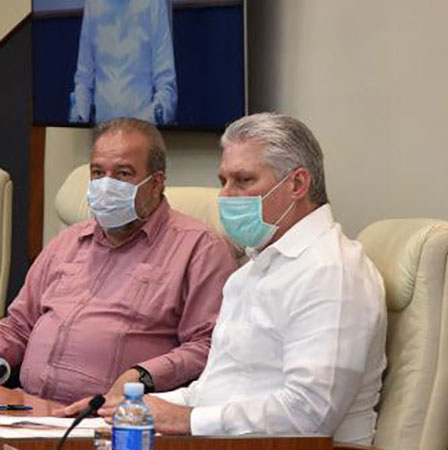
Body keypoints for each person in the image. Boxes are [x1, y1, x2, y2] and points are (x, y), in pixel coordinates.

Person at [0, 117, 236, 405]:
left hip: (109, 419)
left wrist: (143, 375)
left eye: (123, 173)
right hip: (25, 409)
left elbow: (208, 345)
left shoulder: (198, 247)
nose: (106, 185)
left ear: (156, 183)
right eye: (97, 173)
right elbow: (19, 327)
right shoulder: (69, 241)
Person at [96, 113, 387, 445]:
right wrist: (129, 407)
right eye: (224, 181)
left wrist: (188, 420)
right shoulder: (252, 270)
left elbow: (310, 414)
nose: (225, 196)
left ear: (297, 184)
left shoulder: (331, 272)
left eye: (243, 180)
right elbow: (216, 390)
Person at [69, 0, 177, 125]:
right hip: (102, 129)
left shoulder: (154, 3)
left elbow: (166, 86)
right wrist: (79, 119)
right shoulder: (93, 4)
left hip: (142, 129)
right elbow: (84, 78)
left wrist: (141, 125)